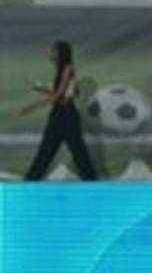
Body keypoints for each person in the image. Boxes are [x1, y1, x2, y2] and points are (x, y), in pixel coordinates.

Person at [20, 40, 98, 181]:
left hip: (67, 115)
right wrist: (41, 89)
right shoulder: (60, 69)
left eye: (53, 51)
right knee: (47, 149)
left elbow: (60, 94)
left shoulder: (68, 68)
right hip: (59, 113)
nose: (51, 53)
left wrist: (32, 106)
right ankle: (31, 180)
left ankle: (92, 181)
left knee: (78, 151)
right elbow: (60, 93)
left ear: (61, 53)